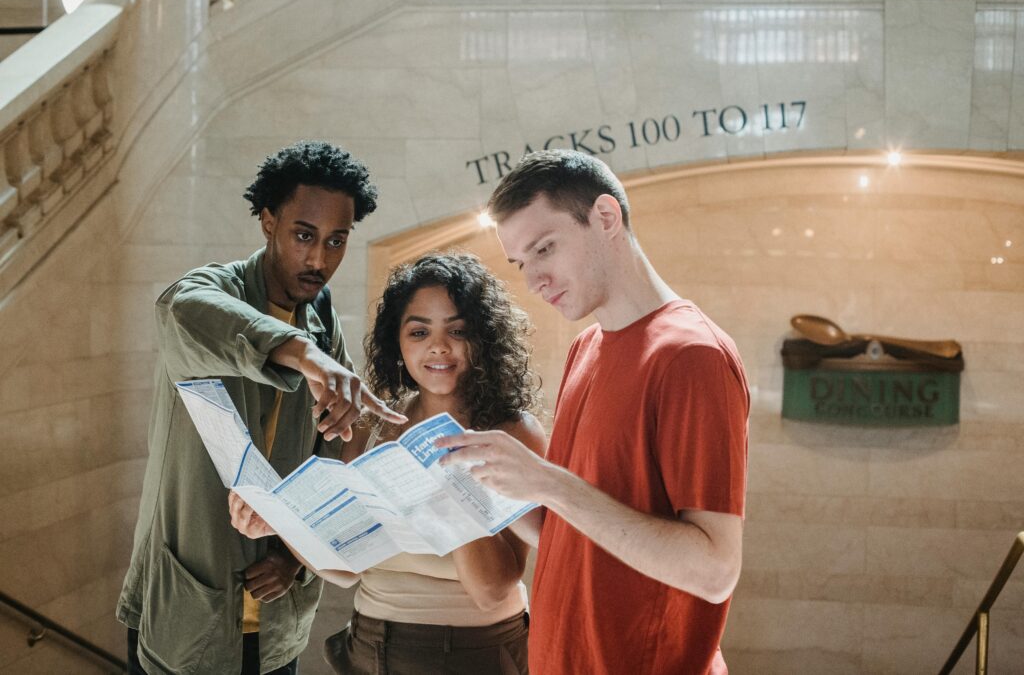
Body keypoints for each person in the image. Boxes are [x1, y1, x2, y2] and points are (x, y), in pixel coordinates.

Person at [438, 149, 750, 675]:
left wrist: (549, 482)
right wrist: (488, 487)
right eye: (521, 263)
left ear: (606, 217)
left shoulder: (692, 356)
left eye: (544, 249)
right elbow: (577, 535)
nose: (533, 279)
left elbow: (714, 569)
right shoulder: (588, 347)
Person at [116, 141, 406, 675]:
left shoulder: (321, 316)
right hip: (186, 614)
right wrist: (306, 356)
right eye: (303, 235)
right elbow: (178, 307)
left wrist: (293, 559)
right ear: (268, 221)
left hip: (276, 625)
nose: (319, 259)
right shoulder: (210, 293)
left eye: (335, 241)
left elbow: (330, 460)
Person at [229, 252, 546, 675]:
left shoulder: (511, 431)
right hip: (367, 643)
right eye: (419, 331)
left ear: (483, 340)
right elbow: (344, 567)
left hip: (475, 650)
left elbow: (494, 590)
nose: (438, 346)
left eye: (458, 330)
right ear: (397, 342)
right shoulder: (370, 427)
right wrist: (280, 523)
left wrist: (446, 491)